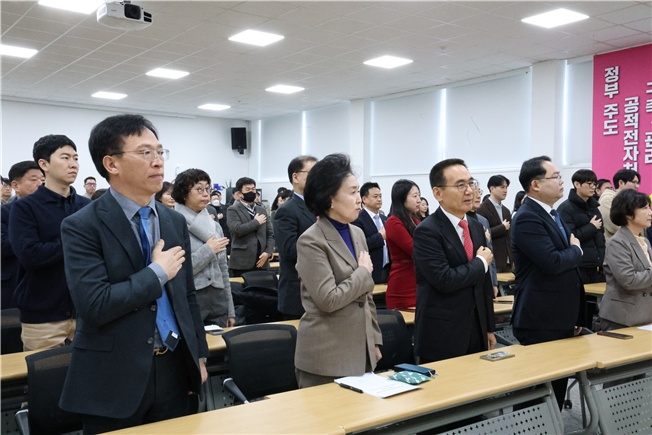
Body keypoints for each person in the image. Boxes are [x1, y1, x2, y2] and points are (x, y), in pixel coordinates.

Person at [59, 114, 209, 433]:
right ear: (111, 164)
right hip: (113, 376)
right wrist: (156, 273)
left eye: (160, 151)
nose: (158, 161)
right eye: (145, 153)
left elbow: (186, 296)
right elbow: (95, 304)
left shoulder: (173, 221)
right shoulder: (82, 225)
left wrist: (199, 355)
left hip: (174, 367)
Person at [294, 153, 382, 388]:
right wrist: (362, 273)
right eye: (352, 192)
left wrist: (374, 340)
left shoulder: (357, 233)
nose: (359, 200)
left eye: (358, 191)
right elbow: (328, 299)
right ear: (330, 199)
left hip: (360, 350)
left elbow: (367, 297)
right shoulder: (311, 240)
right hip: (326, 356)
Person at [511, 155, 585, 410]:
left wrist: (575, 314)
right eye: (556, 177)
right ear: (535, 184)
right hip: (540, 318)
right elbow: (553, 262)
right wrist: (577, 251)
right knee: (538, 396)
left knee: (556, 388)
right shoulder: (527, 217)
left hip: (559, 316)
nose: (562, 181)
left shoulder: (552, 214)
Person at [9, 135, 91, 351]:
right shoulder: (25, 207)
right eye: (65, 157)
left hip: (86, 313)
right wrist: (76, 244)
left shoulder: (86, 206)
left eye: (75, 158)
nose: (73, 164)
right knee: (45, 372)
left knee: (87, 372)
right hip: (43, 317)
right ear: (44, 164)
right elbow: (30, 254)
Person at [413, 159, 495, 363]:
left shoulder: (475, 226)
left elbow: (483, 283)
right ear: (438, 193)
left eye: (471, 183)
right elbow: (444, 279)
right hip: (443, 332)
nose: (469, 191)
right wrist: (480, 263)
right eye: (460, 185)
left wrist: (489, 327)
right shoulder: (427, 231)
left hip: (476, 329)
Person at [172, 169, 234, 327]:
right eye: (199, 189)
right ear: (184, 194)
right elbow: (177, 270)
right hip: (191, 297)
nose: (206, 194)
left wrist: (230, 310)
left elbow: (223, 269)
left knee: (221, 341)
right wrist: (208, 250)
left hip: (218, 299)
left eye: (207, 189)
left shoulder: (214, 226)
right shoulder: (173, 223)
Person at [598, 189, 652, 330]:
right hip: (622, 317)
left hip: (644, 314)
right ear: (628, 214)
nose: (650, 212)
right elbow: (629, 280)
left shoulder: (644, 241)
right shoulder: (618, 242)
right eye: (644, 208)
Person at [274, 156, 318, 319]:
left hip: (321, 289)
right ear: (295, 176)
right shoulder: (287, 210)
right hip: (297, 292)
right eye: (312, 173)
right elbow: (289, 250)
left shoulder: (321, 207)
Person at [1, 161, 43, 309]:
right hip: (12, 285)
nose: (40, 184)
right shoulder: (4, 212)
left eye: (42, 180)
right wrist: (30, 241)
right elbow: (2, 245)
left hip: (44, 286)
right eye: (34, 179)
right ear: (15, 185)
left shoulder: (49, 212)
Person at [557, 169, 605, 284]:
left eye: (594, 184)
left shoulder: (594, 207)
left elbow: (600, 235)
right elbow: (569, 237)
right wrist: (591, 227)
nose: (593, 187)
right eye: (589, 183)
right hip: (578, 265)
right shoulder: (565, 208)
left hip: (597, 265)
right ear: (577, 184)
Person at [227, 177, 275, 277]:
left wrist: (268, 252)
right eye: (248, 189)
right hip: (242, 262)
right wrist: (256, 222)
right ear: (240, 193)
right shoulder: (233, 209)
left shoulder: (261, 210)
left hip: (262, 259)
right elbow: (237, 230)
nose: (252, 192)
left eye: (253, 189)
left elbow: (270, 233)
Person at [385, 179, 421, 309]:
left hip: (418, 281)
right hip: (403, 285)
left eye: (419, 195)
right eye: (414, 196)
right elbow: (415, 249)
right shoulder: (393, 222)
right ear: (401, 198)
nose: (419, 200)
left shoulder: (415, 221)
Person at [351, 182, 390, 284]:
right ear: (364, 199)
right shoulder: (358, 219)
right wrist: (380, 237)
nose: (379, 199)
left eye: (380, 196)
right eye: (375, 196)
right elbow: (359, 245)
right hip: (371, 270)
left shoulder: (385, 219)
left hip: (388, 269)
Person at [467, 181, 499, 298]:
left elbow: (490, 253)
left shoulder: (483, 220)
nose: (478, 196)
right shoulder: (463, 220)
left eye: (479, 192)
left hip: (486, 277)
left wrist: (494, 282)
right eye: (474, 192)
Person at [476, 175, 513, 272]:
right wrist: (502, 227)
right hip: (493, 260)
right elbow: (482, 234)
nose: (505, 190)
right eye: (502, 187)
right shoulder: (482, 209)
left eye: (506, 187)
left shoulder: (506, 211)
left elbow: (509, 236)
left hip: (508, 261)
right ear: (492, 188)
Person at [599, 169, 641, 242]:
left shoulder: (631, 199)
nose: (637, 186)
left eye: (637, 183)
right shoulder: (608, 199)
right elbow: (615, 225)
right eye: (634, 182)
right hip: (617, 244)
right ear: (621, 183)